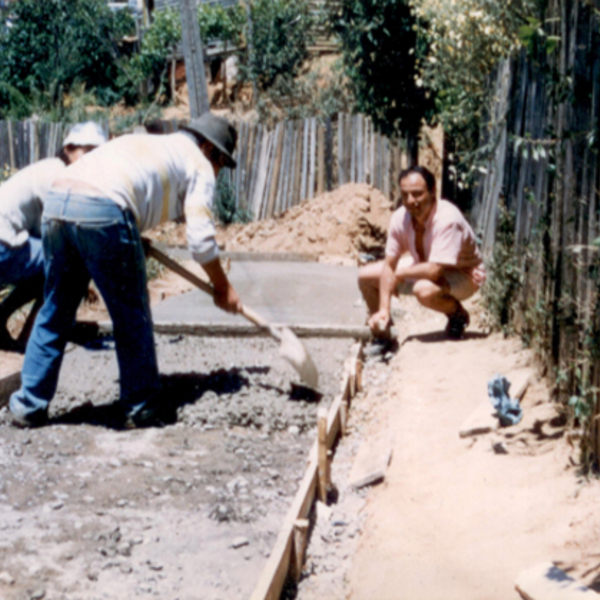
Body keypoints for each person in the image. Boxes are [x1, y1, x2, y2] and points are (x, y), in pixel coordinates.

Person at [9, 112, 242, 429]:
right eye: (221, 163)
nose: (218, 172)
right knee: (131, 310)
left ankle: (28, 405)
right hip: (104, 207)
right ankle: (141, 405)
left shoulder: (154, 145)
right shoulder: (199, 164)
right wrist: (222, 286)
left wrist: (128, 233)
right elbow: (201, 241)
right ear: (210, 150)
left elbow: (124, 187)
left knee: (56, 307)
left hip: (58, 202)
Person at [0, 121, 108, 351]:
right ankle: (33, 339)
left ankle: (4, 318)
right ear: (69, 148)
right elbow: (67, 237)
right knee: (70, 263)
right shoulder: (58, 176)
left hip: (7, 244)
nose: (92, 161)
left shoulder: (49, 168)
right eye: (86, 152)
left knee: (58, 261)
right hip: (4, 247)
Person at [358, 165, 485, 344]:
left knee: (423, 290)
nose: (410, 200)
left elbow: (434, 271)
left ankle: (457, 316)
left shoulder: (447, 219)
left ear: (433, 192)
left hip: (464, 275)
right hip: (426, 265)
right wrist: (384, 309)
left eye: (417, 194)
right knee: (366, 276)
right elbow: (389, 264)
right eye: (405, 195)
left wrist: (399, 275)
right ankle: (383, 335)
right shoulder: (400, 218)